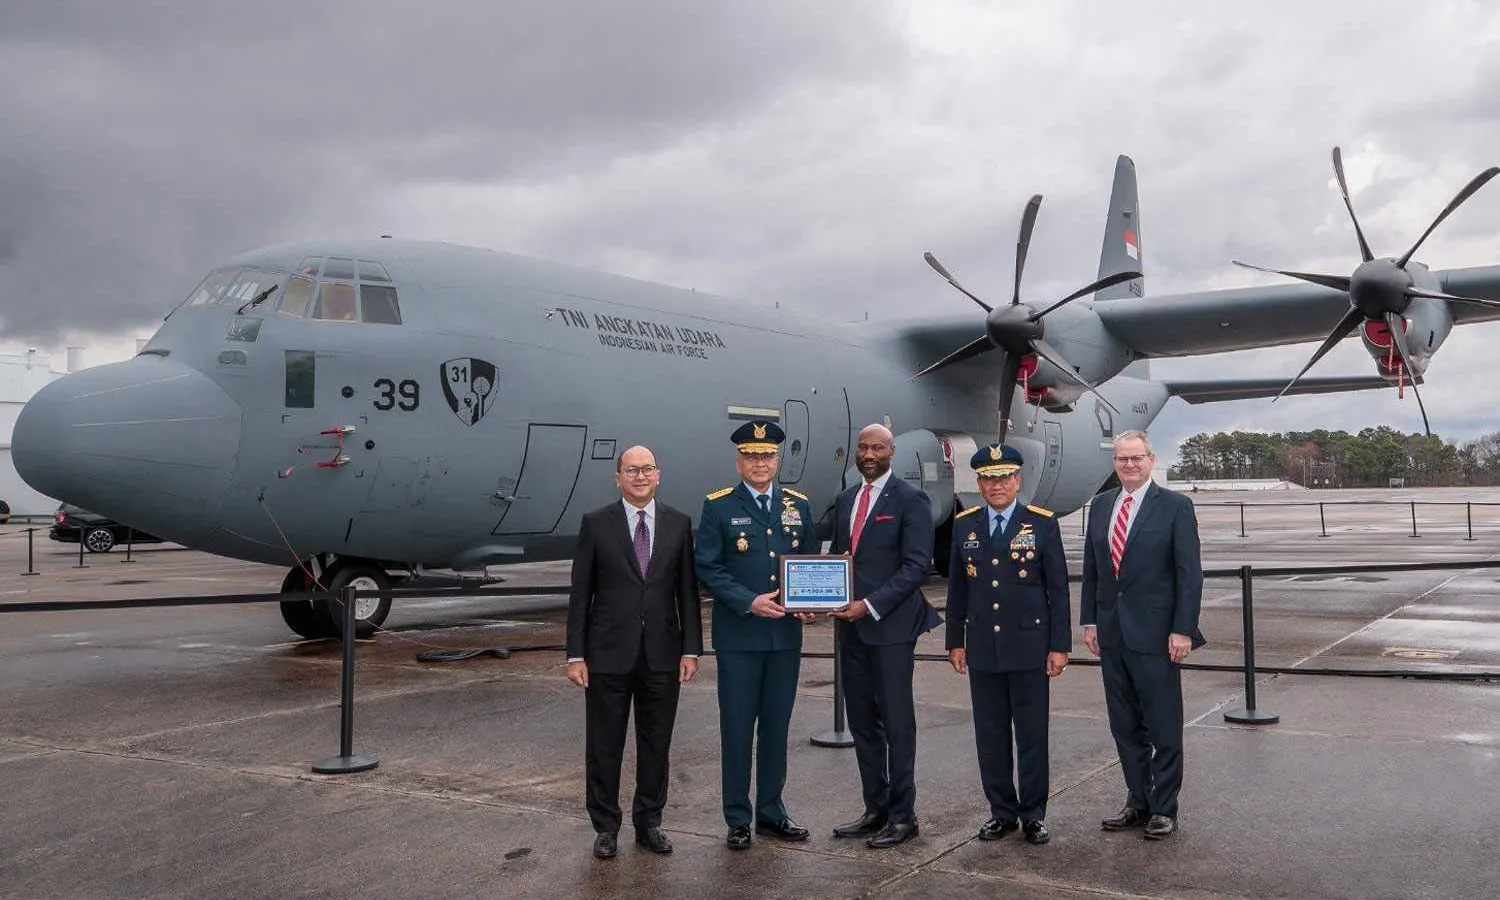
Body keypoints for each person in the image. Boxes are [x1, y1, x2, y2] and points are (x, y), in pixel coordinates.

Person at [564, 445, 702, 859]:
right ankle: (605, 826)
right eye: (631, 470)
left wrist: (691, 649)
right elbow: (581, 593)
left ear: (658, 475)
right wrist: (575, 655)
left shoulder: (679, 523)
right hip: (607, 654)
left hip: (662, 653)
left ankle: (649, 822)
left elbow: (687, 592)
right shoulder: (596, 523)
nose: (640, 476)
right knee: (604, 744)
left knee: (656, 743)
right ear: (618, 477)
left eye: (647, 469)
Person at [695, 421, 818, 850]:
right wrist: (748, 601)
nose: (760, 463)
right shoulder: (718, 506)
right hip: (739, 638)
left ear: (777, 460)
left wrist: (811, 601)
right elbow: (708, 566)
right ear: (739, 462)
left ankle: (771, 811)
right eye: (751, 456)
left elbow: (809, 562)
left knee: (776, 728)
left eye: (766, 456)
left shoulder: (798, 506)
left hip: (784, 637)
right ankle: (737, 818)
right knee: (737, 729)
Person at [1080, 429, 1205, 841]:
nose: (1130, 465)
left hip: (1156, 635)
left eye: (1137, 458)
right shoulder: (1101, 505)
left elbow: (1189, 574)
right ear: (1114, 463)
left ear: (1151, 460)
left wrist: (1183, 629)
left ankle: (1164, 808)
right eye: (1123, 459)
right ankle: (1138, 801)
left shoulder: (1175, 507)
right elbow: (1094, 570)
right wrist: (1089, 620)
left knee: (1163, 725)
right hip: (1112, 633)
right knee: (1125, 726)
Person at [944, 443, 1070, 846]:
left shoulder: (1041, 524)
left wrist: (1059, 646)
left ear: (1017, 480)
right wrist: (955, 641)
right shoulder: (965, 525)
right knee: (990, 735)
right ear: (979, 483)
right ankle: (1001, 812)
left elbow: (1058, 591)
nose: (996, 485)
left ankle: (1033, 814)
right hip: (982, 647)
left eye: (1003, 478)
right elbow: (958, 589)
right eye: (988, 479)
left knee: (1032, 735)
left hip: (1029, 646)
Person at [827, 424, 940, 848]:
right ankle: (875, 808)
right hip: (851, 628)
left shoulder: (911, 499)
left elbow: (916, 566)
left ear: (892, 452)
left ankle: (903, 815)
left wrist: (870, 604)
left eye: (877, 447)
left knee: (896, 723)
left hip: (889, 627)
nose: (869, 454)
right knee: (862, 723)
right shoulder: (846, 500)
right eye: (863, 447)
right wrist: (822, 596)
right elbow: (843, 559)